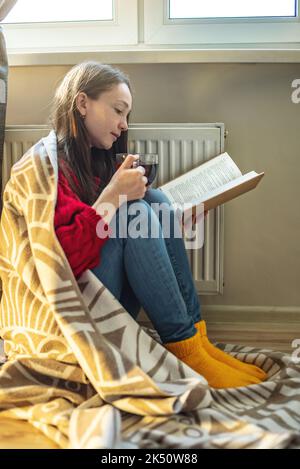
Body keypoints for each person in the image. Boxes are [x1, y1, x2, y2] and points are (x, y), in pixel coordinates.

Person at [51, 61, 266, 388]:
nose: (124, 125)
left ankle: (196, 340)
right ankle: (184, 348)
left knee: (158, 202)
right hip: (79, 311)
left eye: (127, 116)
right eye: (118, 111)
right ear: (82, 103)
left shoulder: (95, 161)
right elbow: (66, 259)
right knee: (132, 212)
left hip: (105, 292)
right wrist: (113, 195)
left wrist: (170, 222)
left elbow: (122, 240)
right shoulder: (53, 167)